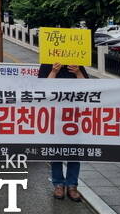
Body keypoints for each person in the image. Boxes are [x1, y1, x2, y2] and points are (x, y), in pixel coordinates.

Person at [38, 62, 88, 202]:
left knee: (74, 151)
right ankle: (58, 184)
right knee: (56, 151)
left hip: (74, 115)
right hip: (55, 115)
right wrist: (54, 71)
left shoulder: (77, 62)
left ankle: (72, 185)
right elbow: (42, 89)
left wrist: (78, 72)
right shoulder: (47, 63)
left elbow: (88, 88)